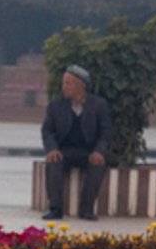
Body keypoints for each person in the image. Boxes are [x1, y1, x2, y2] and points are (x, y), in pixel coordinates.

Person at [42, 64, 114, 222]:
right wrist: (52, 148)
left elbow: (106, 132)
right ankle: (55, 209)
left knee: (98, 165)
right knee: (53, 162)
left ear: (80, 86)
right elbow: (47, 131)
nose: (64, 87)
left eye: (69, 83)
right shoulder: (55, 106)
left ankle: (87, 209)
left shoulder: (98, 105)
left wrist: (99, 151)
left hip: (88, 151)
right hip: (64, 150)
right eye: (64, 83)